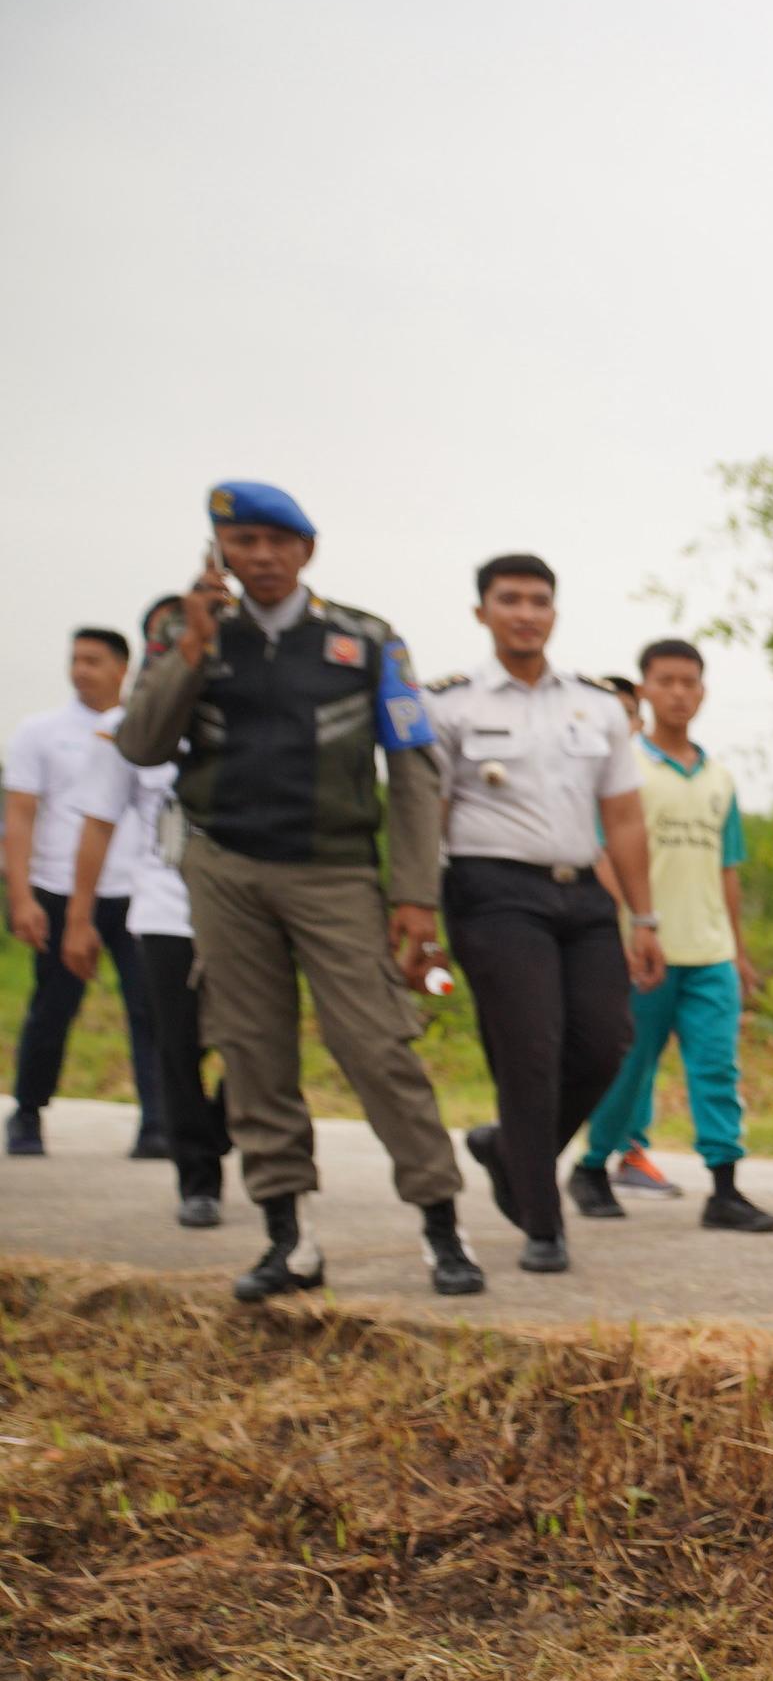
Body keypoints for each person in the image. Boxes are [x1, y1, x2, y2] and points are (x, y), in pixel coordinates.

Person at [115, 481, 483, 1302]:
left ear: (306, 550)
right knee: (250, 1051)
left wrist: (414, 893)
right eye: (242, 543)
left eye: (277, 543)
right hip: (225, 870)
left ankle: (442, 1232)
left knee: (379, 1047)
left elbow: (415, 770)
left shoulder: (367, 640)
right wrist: (193, 647)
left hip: (336, 871)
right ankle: (290, 1241)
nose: (262, 559)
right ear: (222, 552)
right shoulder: (186, 631)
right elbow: (141, 745)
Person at [423, 555, 664, 1274]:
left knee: (604, 1043)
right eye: (509, 600)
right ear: (482, 612)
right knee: (529, 1050)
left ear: (554, 612)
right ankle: (542, 1220)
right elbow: (426, 817)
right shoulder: (450, 703)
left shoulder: (593, 704)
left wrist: (644, 921)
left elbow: (622, 817)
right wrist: (420, 920)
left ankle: (507, 1151)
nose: (525, 613)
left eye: (538, 601)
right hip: (492, 892)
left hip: (582, 892)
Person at [576, 642, 773, 1236]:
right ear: (644, 691)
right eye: (665, 681)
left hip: (709, 952)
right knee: (630, 1067)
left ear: (703, 691)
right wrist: (629, 928)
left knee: (717, 1069)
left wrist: (739, 951)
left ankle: (724, 1187)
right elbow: (603, 854)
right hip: (646, 950)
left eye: (689, 682)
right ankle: (591, 1166)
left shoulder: (719, 777)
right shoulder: (624, 770)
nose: (678, 693)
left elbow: (728, 867)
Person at [59, 600, 229, 1221]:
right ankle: (198, 1180)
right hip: (163, 910)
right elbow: (99, 825)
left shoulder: (241, 713)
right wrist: (79, 918)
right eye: (171, 637)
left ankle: (220, 1128)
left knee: (259, 1041)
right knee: (177, 1045)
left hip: (244, 910)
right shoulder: (122, 727)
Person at [10, 625, 161, 1156]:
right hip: (58, 887)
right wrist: (21, 895)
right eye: (76, 659)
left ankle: (157, 1123)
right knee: (52, 1007)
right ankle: (28, 1112)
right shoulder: (39, 731)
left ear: (123, 668)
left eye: (93, 661)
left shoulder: (146, 730)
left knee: (150, 1009)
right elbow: (20, 817)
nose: (81, 670)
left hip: (136, 891)